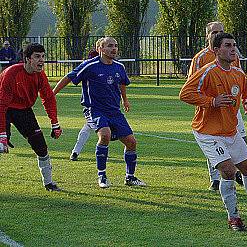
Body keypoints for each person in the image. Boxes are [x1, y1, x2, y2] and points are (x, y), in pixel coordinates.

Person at [180, 32, 247, 232]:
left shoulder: (238, 73)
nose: (233, 49)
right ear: (217, 50)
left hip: (230, 131)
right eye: (228, 45)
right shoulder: (207, 71)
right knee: (228, 170)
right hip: (208, 132)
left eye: (234, 45)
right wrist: (212, 101)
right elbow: (185, 93)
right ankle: (233, 217)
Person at [53, 37, 146, 188]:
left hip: (114, 111)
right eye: (110, 46)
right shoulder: (90, 65)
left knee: (131, 142)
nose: (114, 49)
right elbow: (69, 77)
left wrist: (125, 100)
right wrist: (52, 94)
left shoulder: (119, 67)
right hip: (94, 109)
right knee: (105, 135)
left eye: (115, 46)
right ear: (101, 49)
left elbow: (122, 82)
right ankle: (102, 176)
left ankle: (130, 177)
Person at [189, 21, 246, 191]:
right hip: (211, 109)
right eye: (214, 32)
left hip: (231, 107)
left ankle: (236, 171)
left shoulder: (231, 54)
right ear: (207, 36)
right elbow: (192, 85)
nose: (217, 34)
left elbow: (240, 78)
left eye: (220, 31)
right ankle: (215, 178)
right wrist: (210, 101)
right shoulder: (200, 58)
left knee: (242, 139)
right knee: (214, 141)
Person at [0, 43, 62, 191]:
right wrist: (2, 133)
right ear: (27, 59)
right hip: (4, 108)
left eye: (43, 56)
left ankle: (49, 183)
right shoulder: (11, 73)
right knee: (0, 147)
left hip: (24, 110)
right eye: (37, 57)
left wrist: (55, 123)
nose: (41, 60)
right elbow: (2, 104)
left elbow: (48, 98)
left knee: (41, 147)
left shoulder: (40, 75)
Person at [61, 40, 102, 161]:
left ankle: (76, 152)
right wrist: (52, 93)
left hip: (107, 105)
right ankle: (76, 152)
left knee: (90, 128)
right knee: (92, 128)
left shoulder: (111, 63)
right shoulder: (90, 62)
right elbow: (70, 77)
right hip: (92, 106)